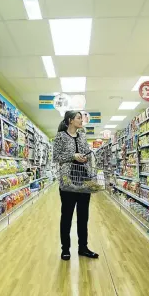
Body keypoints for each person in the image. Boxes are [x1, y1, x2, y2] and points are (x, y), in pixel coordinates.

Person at [53, 111, 99, 261]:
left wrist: (86, 160)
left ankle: (83, 248)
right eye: (79, 118)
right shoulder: (60, 136)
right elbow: (56, 157)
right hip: (68, 181)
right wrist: (72, 156)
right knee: (66, 216)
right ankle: (65, 249)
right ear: (70, 120)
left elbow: (88, 155)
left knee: (83, 217)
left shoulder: (83, 136)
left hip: (84, 179)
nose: (82, 120)